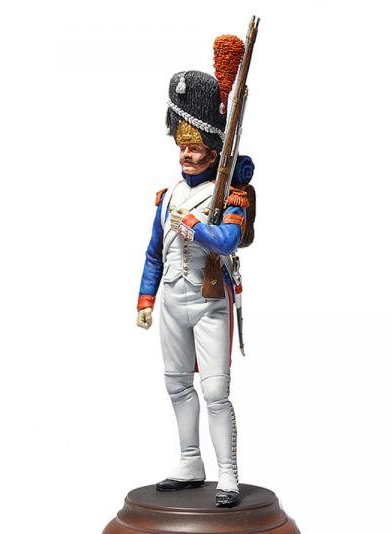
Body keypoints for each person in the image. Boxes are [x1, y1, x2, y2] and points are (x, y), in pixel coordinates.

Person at [136, 46, 255, 508]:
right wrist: (146, 300)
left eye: (195, 146)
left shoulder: (230, 195)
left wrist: (196, 227)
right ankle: (190, 461)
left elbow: (228, 241)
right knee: (177, 384)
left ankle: (227, 474)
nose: (186, 153)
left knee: (216, 391)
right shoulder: (167, 196)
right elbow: (154, 254)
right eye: (182, 146)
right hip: (172, 301)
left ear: (212, 149)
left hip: (210, 302)